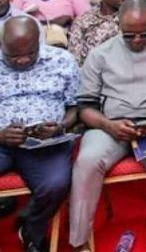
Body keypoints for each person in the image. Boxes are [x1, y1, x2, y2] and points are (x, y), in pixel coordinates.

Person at [70, 0, 146, 252]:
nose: (137, 40)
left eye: (144, 33)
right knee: (87, 160)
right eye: (129, 35)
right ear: (118, 24)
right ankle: (80, 243)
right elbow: (85, 108)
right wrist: (109, 125)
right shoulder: (100, 55)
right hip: (108, 128)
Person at [0, 18, 78, 252]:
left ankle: (31, 230)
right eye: (14, 56)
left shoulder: (62, 61)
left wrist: (60, 126)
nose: (23, 60)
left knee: (56, 183)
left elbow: (75, 108)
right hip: (2, 141)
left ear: (39, 42)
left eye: (30, 54)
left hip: (44, 143)